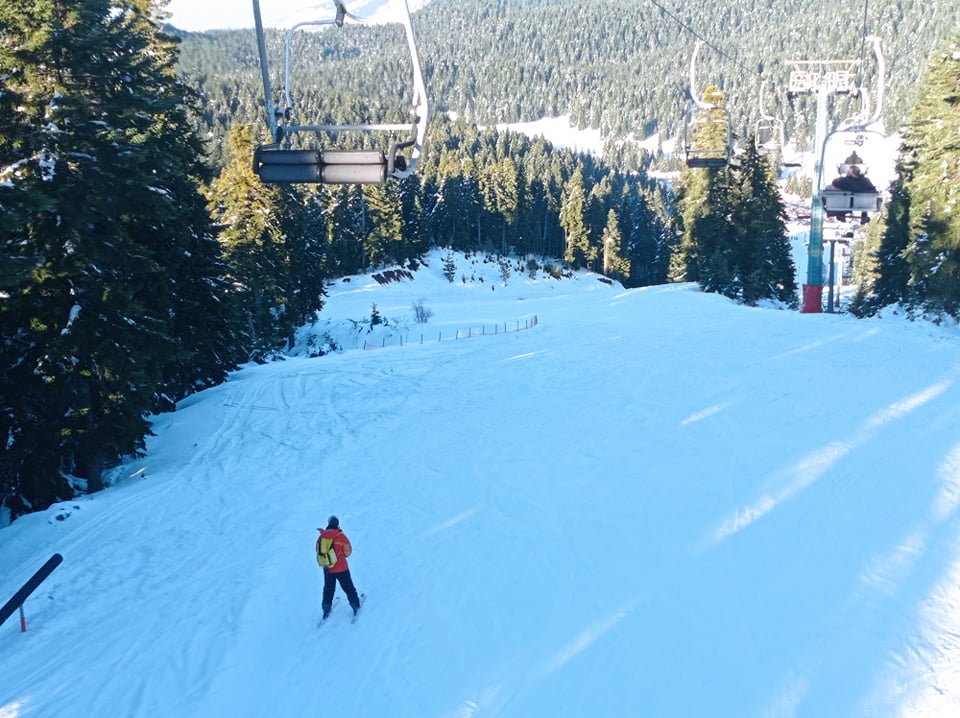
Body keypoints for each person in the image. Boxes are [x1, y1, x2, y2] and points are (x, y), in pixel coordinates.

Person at [317, 515, 362, 620]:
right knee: (348, 588)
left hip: (327, 568)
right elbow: (348, 552)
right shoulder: (341, 536)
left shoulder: (321, 537)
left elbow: (318, 550)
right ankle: (355, 605)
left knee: (328, 589)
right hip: (341, 568)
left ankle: (326, 609)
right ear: (337, 525)